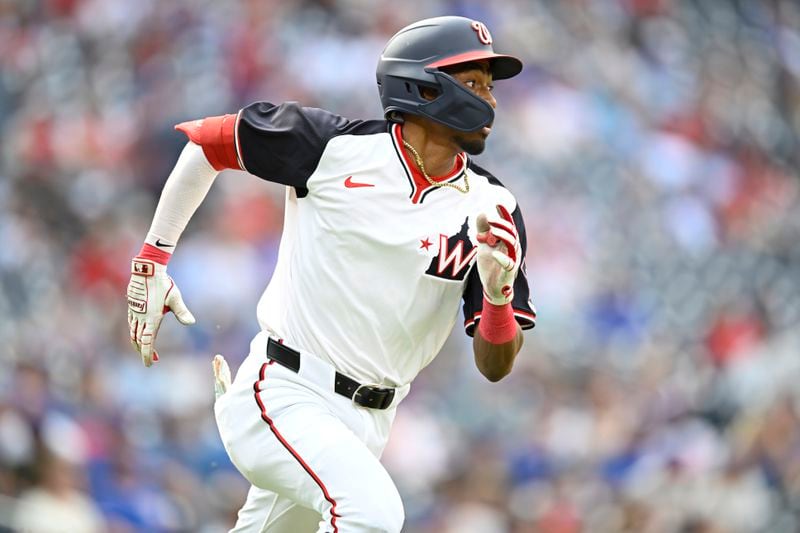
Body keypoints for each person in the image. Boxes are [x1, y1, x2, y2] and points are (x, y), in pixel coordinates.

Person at [126, 15, 536, 533]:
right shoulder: (332, 147)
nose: (490, 100)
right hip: (284, 392)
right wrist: (153, 259)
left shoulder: (493, 205)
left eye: (490, 87)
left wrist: (498, 295)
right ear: (423, 85)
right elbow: (207, 144)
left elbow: (495, 365)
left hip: (369, 423)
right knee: (373, 515)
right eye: (473, 82)